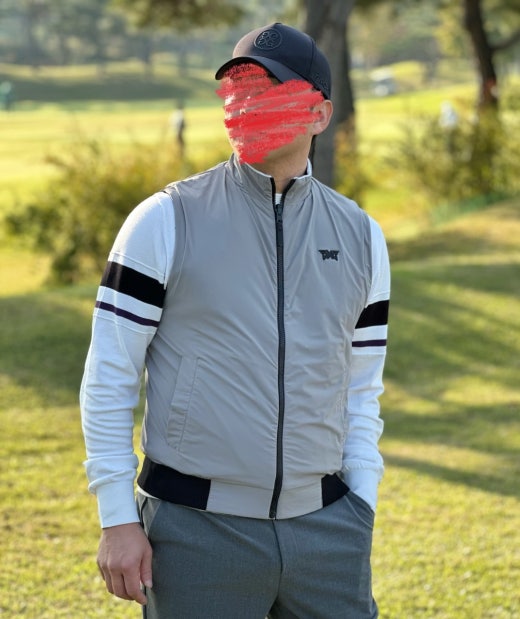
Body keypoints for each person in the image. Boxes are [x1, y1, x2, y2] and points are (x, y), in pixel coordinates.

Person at [80, 22, 390, 619]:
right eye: (238, 90)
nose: (247, 105)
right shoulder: (164, 219)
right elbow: (109, 377)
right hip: (196, 532)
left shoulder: (361, 236)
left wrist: (361, 504)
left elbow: (361, 388)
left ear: (319, 114)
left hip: (329, 532)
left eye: (268, 91)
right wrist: (117, 517)